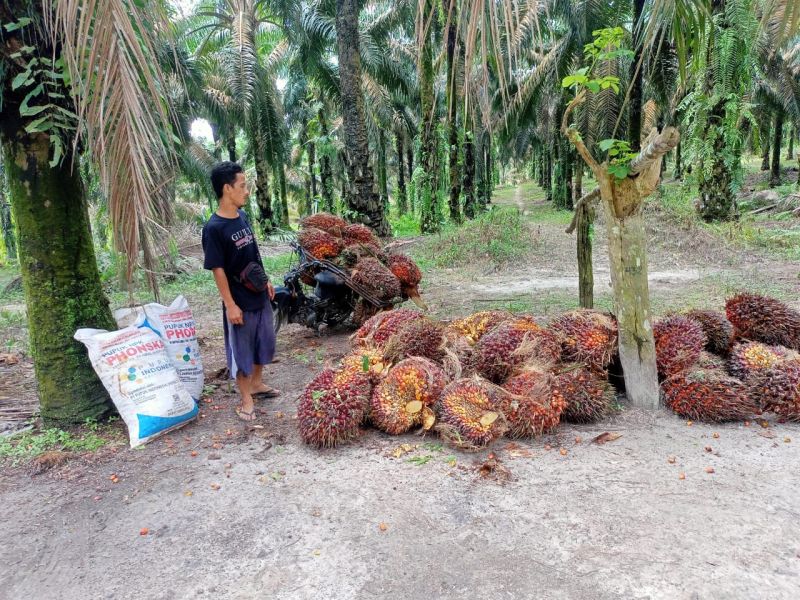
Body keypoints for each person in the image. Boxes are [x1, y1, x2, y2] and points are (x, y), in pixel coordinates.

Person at [202, 161, 279, 421]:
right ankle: (246, 399)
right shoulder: (214, 229)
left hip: (258, 292)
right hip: (239, 301)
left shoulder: (243, 217)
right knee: (242, 352)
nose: (247, 191)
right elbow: (217, 269)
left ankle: (257, 384)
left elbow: (253, 252)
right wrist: (230, 304)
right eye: (242, 186)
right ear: (227, 188)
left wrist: (265, 279)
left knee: (264, 343)